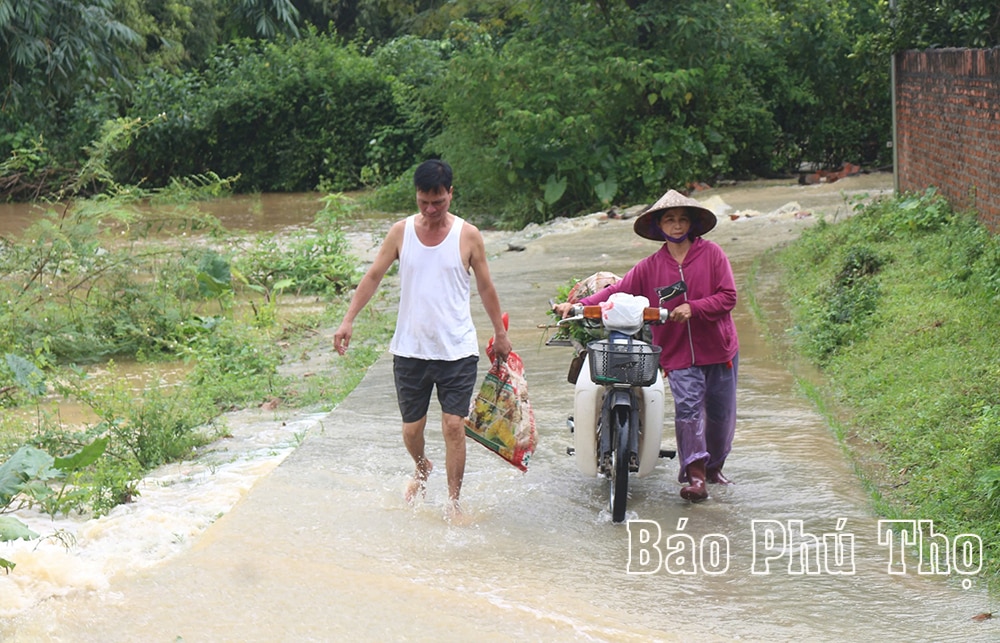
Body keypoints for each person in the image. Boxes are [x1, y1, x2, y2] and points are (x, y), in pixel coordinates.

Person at [333, 159, 512, 516]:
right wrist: (348, 320)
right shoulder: (401, 233)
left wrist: (500, 332)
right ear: (416, 195)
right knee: (412, 430)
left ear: (450, 194)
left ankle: (454, 503)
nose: (431, 210)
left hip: (457, 349)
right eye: (424, 201)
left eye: (438, 202)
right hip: (411, 349)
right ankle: (421, 467)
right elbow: (373, 276)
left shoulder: (468, 235)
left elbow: (486, 286)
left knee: (453, 426)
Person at [554, 189, 738, 503]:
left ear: (691, 224)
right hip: (678, 353)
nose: (677, 226)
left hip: (719, 350)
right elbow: (617, 292)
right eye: (670, 220)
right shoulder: (650, 266)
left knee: (720, 418)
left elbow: (728, 296)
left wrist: (695, 307)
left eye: (682, 219)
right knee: (689, 411)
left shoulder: (712, 255)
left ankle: (714, 467)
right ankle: (694, 475)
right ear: (659, 227)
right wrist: (577, 306)